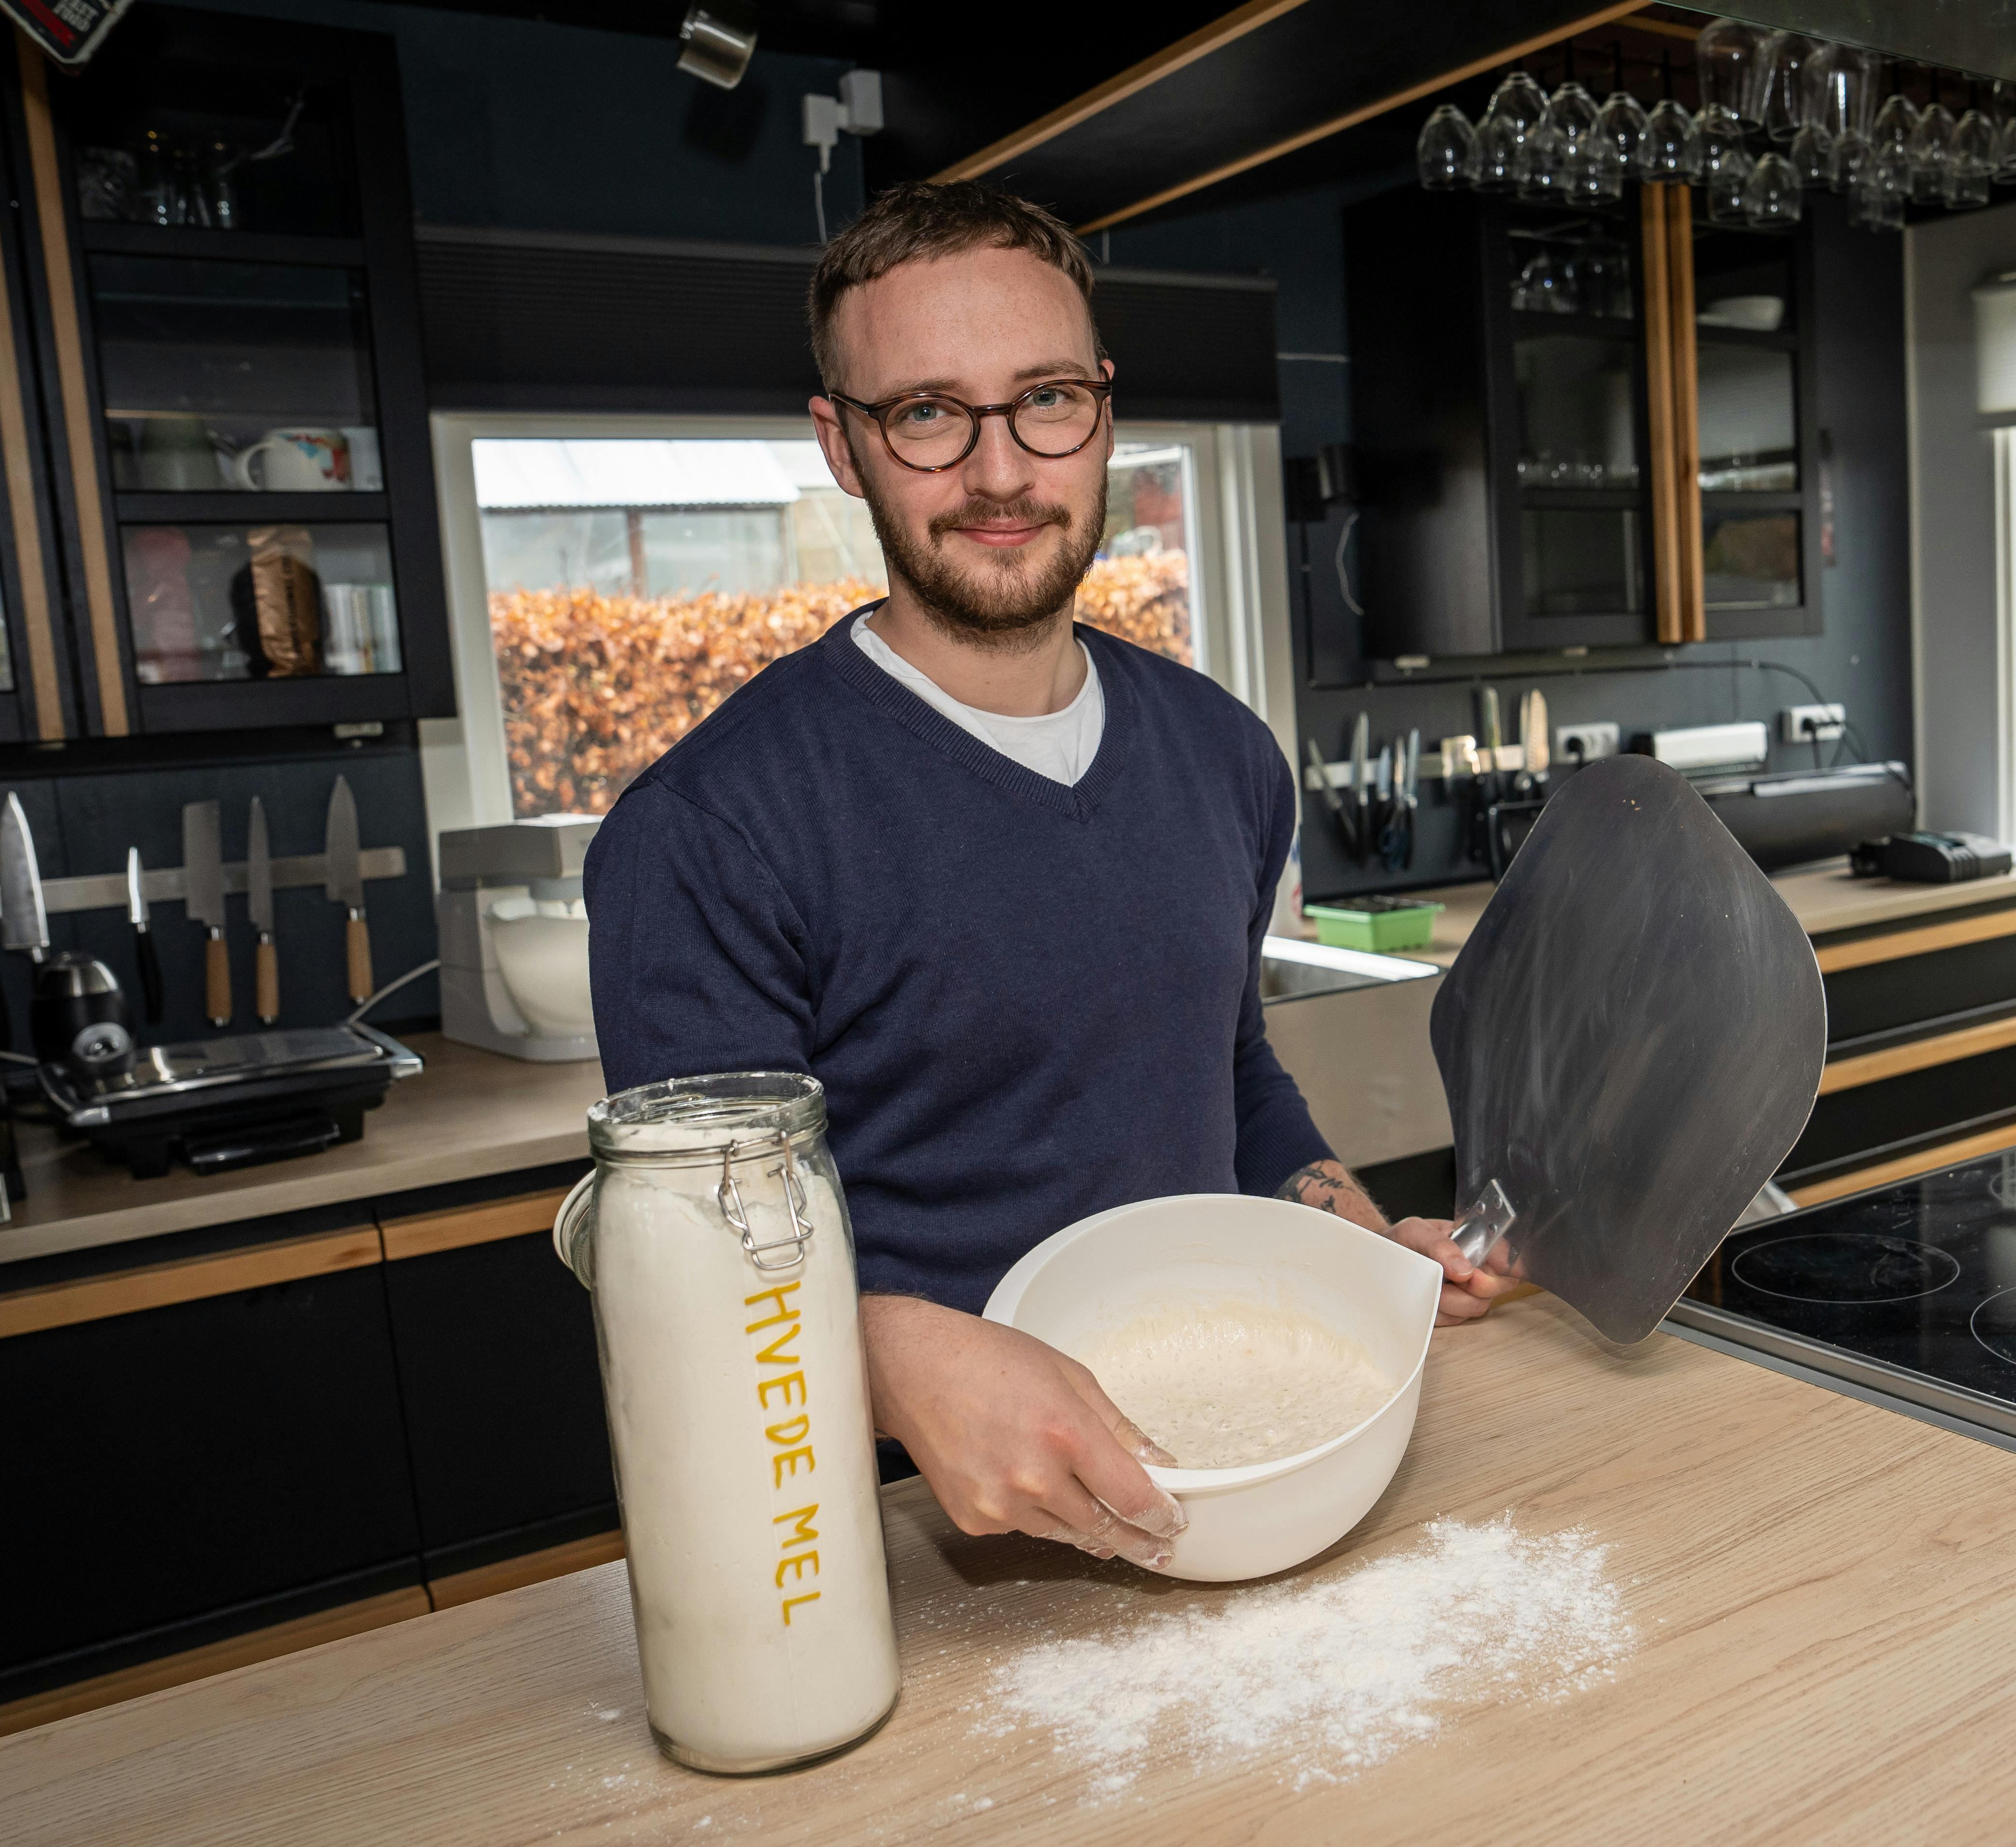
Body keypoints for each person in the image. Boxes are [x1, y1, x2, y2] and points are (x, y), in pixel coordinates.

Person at [583, 181, 1506, 1575]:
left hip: (1240, 1473)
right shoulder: (708, 830)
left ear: (1104, 411)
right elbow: (694, 1269)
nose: (1002, 472)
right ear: (843, 444)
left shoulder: (1223, 755)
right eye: (928, 413)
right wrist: (892, 1359)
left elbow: (1227, 1071)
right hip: (897, 1537)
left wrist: (1363, 1259)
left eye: (1046, 400)